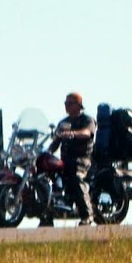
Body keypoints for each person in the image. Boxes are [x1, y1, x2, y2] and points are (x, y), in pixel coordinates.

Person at [50, 91, 97, 225]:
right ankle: (47, 214)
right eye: (66, 103)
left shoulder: (87, 120)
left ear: (78, 105)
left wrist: (72, 134)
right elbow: (55, 142)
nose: (67, 105)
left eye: (70, 103)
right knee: (47, 173)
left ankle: (87, 215)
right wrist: (44, 152)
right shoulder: (63, 122)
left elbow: (87, 132)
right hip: (64, 160)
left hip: (82, 159)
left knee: (76, 177)